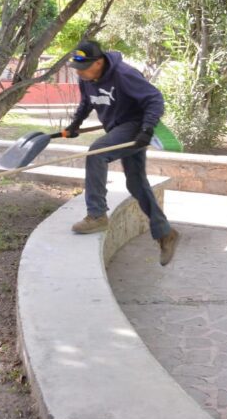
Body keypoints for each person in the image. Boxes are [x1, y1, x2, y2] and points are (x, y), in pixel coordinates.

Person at [64, 39, 180, 266]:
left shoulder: (124, 74)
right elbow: (87, 102)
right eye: (77, 68)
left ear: (99, 62)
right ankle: (165, 232)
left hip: (135, 126)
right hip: (117, 127)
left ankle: (96, 214)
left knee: (96, 153)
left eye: (85, 68)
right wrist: (75, 124)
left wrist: (147, 130)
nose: (81, 73)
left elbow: (154, 99)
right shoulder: (86, 77)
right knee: (136, 183)